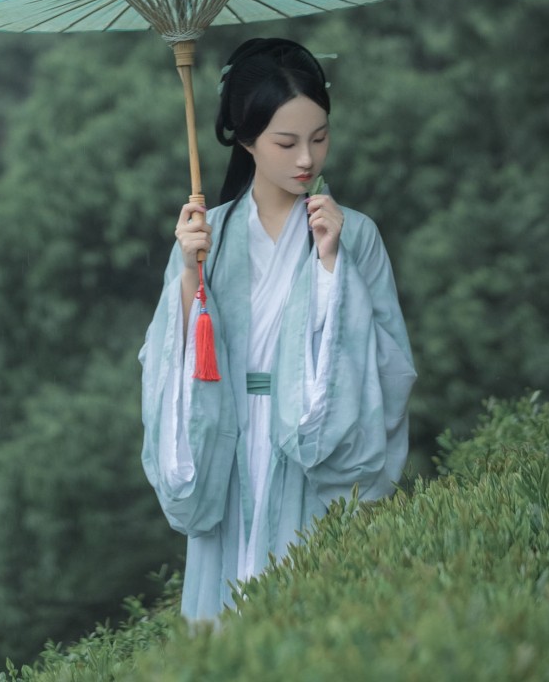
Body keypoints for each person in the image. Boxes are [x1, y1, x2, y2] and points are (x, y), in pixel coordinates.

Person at [139, 36, 416, 620]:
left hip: (312, 443)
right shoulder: (205, 236)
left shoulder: (354, 234)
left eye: (319, 138)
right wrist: (190, 273)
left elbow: (387, 363)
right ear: (244, 138)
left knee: (312, 620)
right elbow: (170, 362)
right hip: (228, 437)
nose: (307, 161)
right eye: (286, 142)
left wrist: (333, 263)